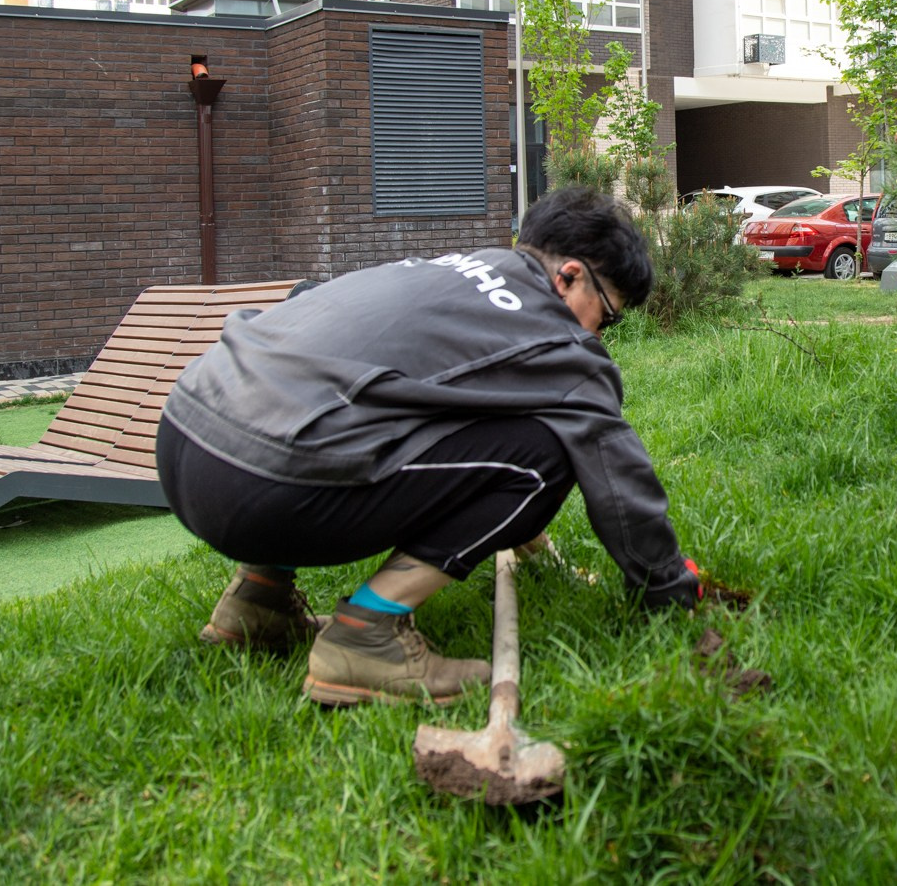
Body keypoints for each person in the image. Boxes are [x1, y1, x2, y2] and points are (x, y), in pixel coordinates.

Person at [156, 187, 701, 704]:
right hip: (263, 486)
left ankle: (257, 602)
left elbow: (449, 423)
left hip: (185, 434)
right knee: (550, 455)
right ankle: (366, 633)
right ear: (569, 277)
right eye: (606, 316)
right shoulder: (560, 338)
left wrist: (536, 549)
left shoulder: (441, 270)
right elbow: (618, 476)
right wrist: (668, 591)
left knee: (339, 406)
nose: (599, 336)